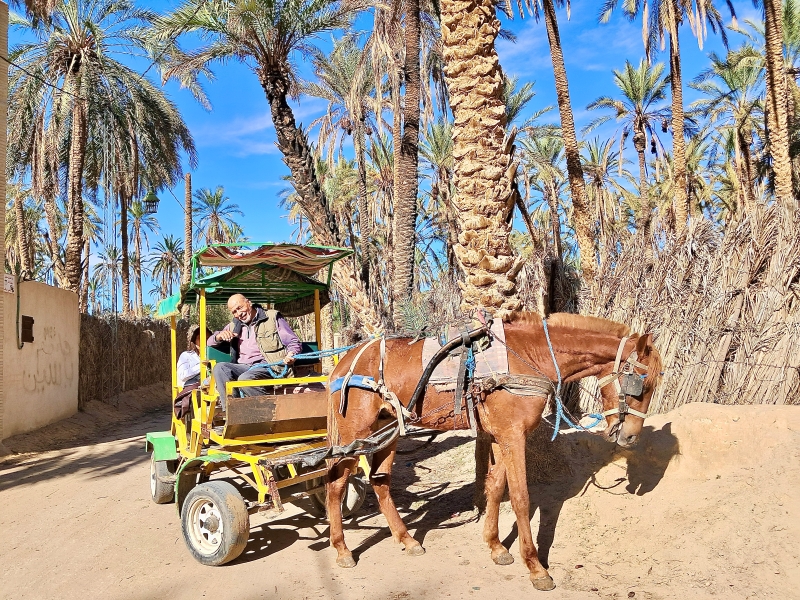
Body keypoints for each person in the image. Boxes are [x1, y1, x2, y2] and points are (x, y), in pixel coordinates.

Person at [207, 294, 302, 407]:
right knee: (220, 368)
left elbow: (293, 341)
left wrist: (292, 354)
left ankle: (270, 410)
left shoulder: (271, 317)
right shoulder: (233, 325)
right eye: (234, 312)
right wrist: (218, 337)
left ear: (249, 303)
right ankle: (233, 411)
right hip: (244, 367)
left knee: (245, 380)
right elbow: (209, 342)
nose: (238, 314)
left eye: (240, 308)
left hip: (269, 366)